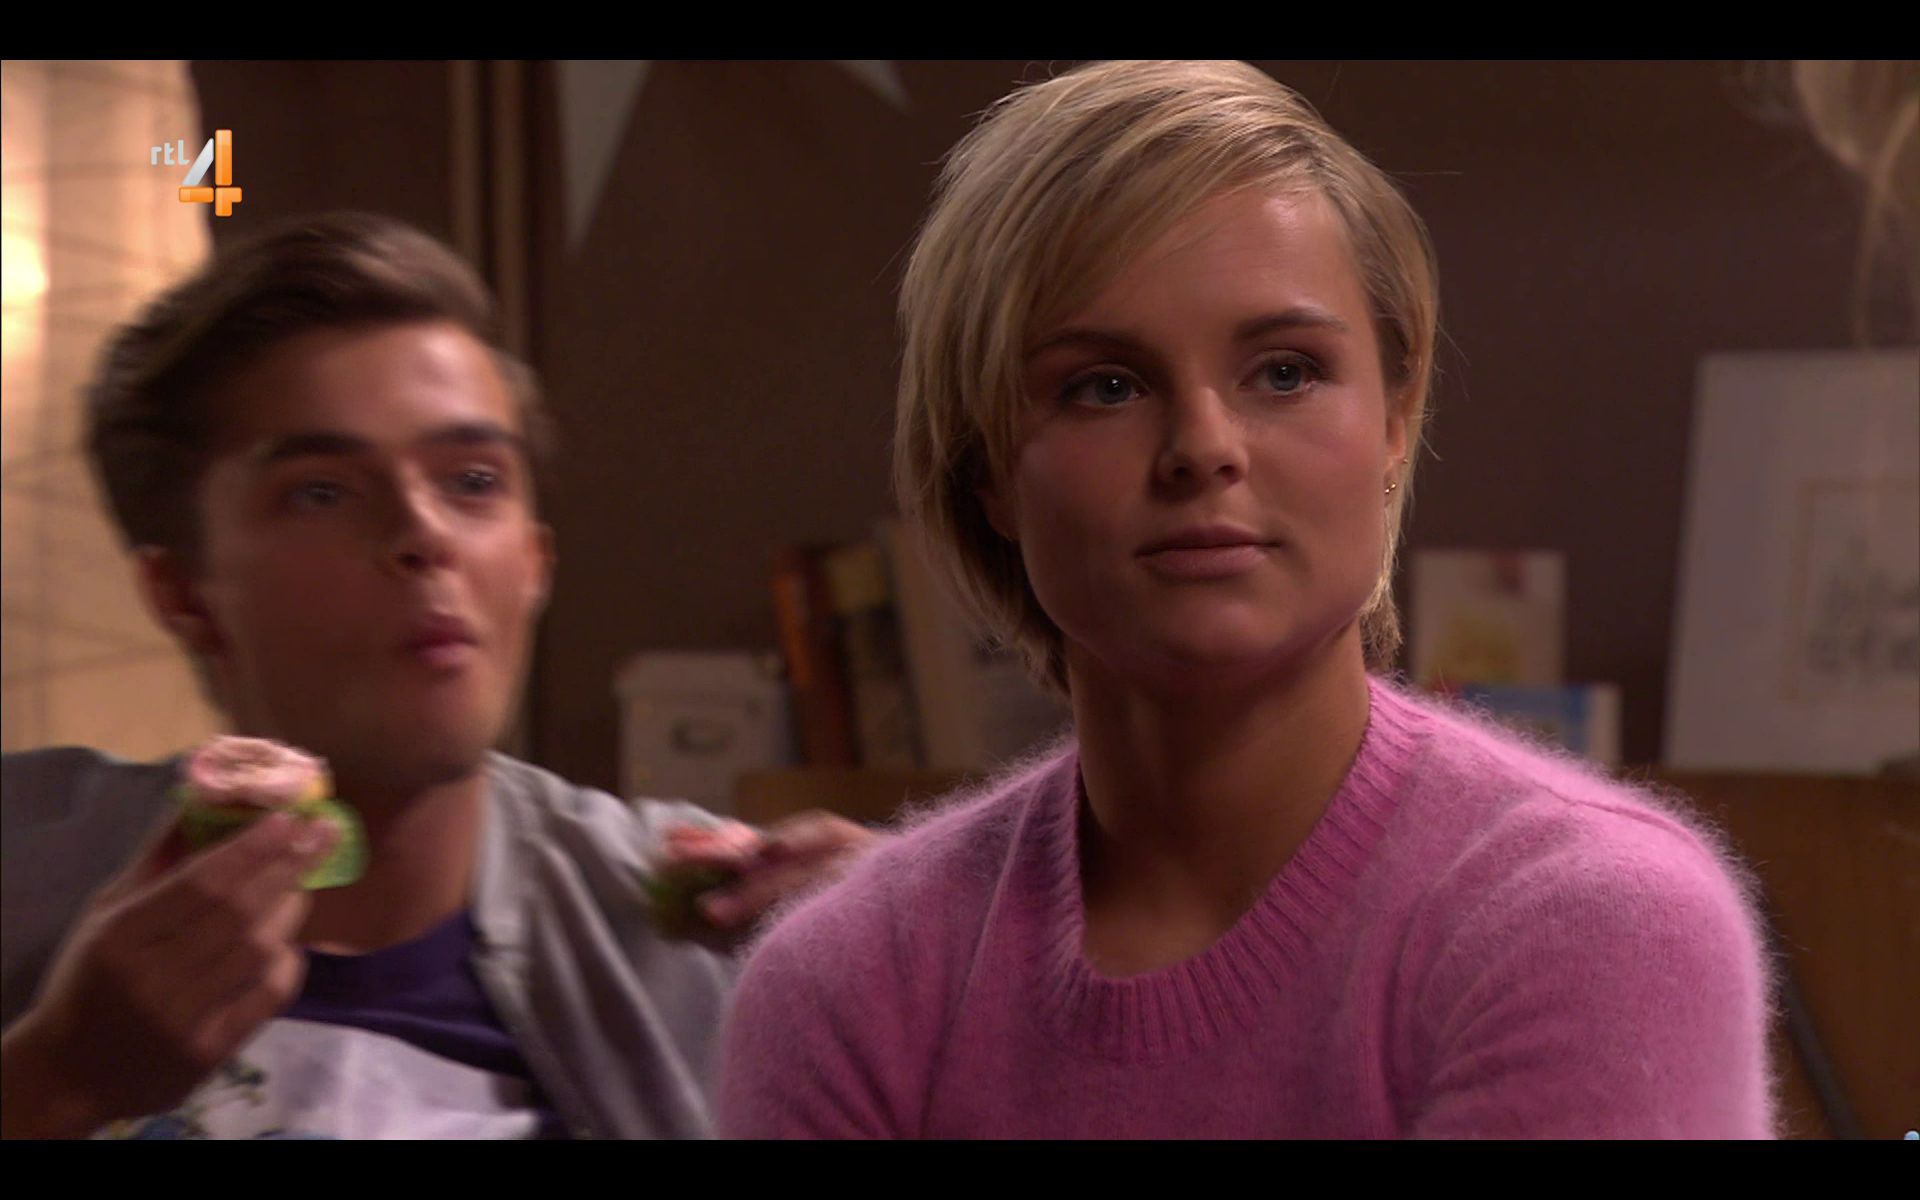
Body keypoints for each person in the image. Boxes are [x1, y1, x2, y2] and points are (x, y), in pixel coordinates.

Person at [716, 60, 1776, 1139]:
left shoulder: (1593, 920)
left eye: (1284, 372)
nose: (1204, 448)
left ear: (1396, 419)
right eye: (1105, 387)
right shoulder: (849, 982)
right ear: (985, 465)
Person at [0, 212, 872, 1140]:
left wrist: (941, 980)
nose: (424, 533)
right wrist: (54, 1080)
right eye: (322, 492)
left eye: (473, 481)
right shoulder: (28, 867)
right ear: (183, 592)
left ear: (534, 562)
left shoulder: (708, 931)